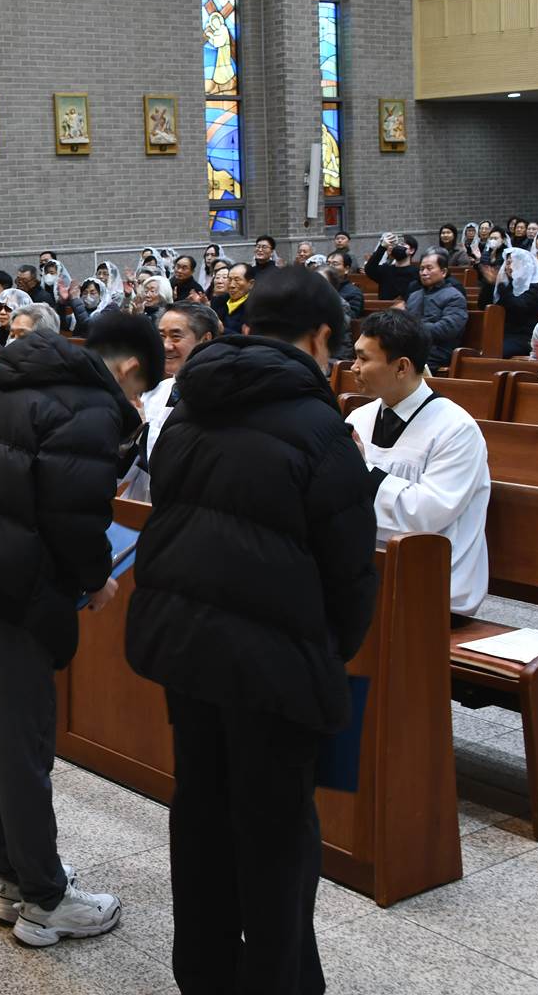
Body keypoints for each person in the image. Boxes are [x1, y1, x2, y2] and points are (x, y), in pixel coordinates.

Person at [127, 266, 377, 994]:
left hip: (186, 647)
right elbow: (349, 569)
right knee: (276, 835)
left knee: (201, 815)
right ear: (322, 336)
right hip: (275, 664)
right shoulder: (320, 428)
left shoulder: (187, 409)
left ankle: (204, 975)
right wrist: (331, 648)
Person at [0, 312, 160, 947]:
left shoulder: (1, 384)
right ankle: (46, 899)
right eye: (140, 391)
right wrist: (95, 579)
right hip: (6, 591)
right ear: (129, 369)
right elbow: (75, 515)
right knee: (20, 744)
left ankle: (15, 878)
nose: (135, 404)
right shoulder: (87, 408)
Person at [347, 310, 491, 617]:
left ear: (402, 367)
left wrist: (363, 473)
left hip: (434, 590)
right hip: (364, 577)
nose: (354, 367)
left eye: (363, 358)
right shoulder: (359, 418)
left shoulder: (456, 429)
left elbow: (424, 517)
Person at [122, 301, 221, 502]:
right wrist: (129, 432)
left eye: (176, 336)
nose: (166, 346)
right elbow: (126, 472)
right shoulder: (154, 392)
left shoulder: (219, 397)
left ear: (205, 339)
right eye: (161, 336)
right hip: (139, 506)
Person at [399, 250, 469, 373]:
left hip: (438, 349)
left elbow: (447, 329)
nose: (424, 273)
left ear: (443, 272)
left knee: (405, 362)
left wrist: (413, 329)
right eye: (421, 269)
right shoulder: (414, 296)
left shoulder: (454, 296)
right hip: (412, 346)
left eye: (429, 268)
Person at [486, 238, 538, 358]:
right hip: (501, 332)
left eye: (513, 263)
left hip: (523, 336)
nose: (509, 267)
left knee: (496, 352)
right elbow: (484, 304)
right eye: (508, 263)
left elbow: (519, 307)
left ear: (524, 265)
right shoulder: (506, 283)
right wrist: (490, 284)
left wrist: (501, 287)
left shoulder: (534, 286)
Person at [364, 233, 419, 300]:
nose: (398, 246)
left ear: (411, 250)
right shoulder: (385, 270)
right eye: (395, 245)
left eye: (402, 244)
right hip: (385, 306)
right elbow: (369, 269)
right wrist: (382, 247)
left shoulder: (417, 273)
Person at [218, 262, 253, 335]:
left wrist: (223, 330)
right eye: (229, 279)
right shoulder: (220, 301)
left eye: (237, 280)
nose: (232, 285)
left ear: (251, 284)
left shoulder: (255, 307)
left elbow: (252, 338)